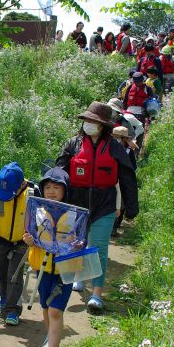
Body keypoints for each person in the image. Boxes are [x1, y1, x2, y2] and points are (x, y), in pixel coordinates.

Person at [55, 103, 139, 312]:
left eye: (93, 122)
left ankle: (96, 294)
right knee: (77, 244)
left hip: (105, 204)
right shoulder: (73, 144)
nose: (88, 124)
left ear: (103, 126)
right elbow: (59, 173)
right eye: (87, 121)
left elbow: (127, 177)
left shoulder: (114, 147)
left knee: (99, 249)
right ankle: (79, 277)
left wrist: (131, 207)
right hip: (77, 203)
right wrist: (51, 198)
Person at [21, 167, 73, 347]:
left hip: (65, 270)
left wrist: (76, 245)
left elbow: (79, 241)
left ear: (65, 190)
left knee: (55, 311)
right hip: (42, 270)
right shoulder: (38, 211)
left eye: (56, 187)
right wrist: (28, 239)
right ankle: (51, 338)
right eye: (48, 187)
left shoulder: (73, 214)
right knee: (45, 307)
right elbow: (30, 236)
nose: (51, 191)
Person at [0, 162, 36, 326]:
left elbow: (42, 218)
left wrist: (35, 238)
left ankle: (13, 310)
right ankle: (3, 298)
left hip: (21, 242)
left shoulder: (33, 193)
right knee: (0, 273)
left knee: (14, 276)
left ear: (21, 184)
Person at [110, 126, 138, 237]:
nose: (116, 140)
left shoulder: (128, 151)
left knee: (121, 203)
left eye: (119, 138)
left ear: (124, 139)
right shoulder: (110, 148)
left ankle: (116, 225)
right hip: (112, 178)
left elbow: (133, 167)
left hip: (123, 180)